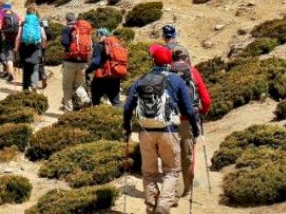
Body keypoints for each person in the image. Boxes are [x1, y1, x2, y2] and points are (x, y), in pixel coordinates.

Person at [123, 45, 200, 214]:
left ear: (153, 61)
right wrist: (195, 128)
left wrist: (127, 127)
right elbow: (188, 109)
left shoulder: (141, 80)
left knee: (149, 172)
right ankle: (164, 205)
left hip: (145, 132)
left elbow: (128, 106)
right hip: (168, 130)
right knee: (171, 171)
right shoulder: (176, 80)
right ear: (170, 62)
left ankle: (151, 204)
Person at [170, 48, 212, 202]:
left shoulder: (167, 73)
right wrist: (202, 110)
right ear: (187, 58)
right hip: (188, 119)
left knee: (172, 154)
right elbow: (206, 100)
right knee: (187, 154)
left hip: (170, 119)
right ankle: (186, 188)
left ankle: (174, 191)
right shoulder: (193, 72)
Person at [86, 28, 128, 107]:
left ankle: (96, 116)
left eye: (98, 35)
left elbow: (96, 62)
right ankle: (124, 117)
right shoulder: (116, 45)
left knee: (95, 99)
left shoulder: (99, 46)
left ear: (99, 35)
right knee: (116, 101)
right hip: (115, 75)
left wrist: (88, 70)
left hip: (102, 77)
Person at [60, 13, 92, 111]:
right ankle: (85, 98)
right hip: (83, 62)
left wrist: (71, 49)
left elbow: (64, 42)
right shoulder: (83, 30)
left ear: (66, 20)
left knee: (67, 86)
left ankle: (68, 110)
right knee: (79, 85)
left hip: (69, 61)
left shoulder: (66, 29)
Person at [14, 4, 47, 92]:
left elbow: (18, 37)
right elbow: (44, 37)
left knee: (26, 68)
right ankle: (34, 84)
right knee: (35, 67)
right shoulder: (39, 23)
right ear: (35, 13)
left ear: (27, 13)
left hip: (24, 47)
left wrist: (16, 49)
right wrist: (43, 46)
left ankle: (25, 89)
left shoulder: (23, 23)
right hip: (36, 47)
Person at [0, 3, 20, 84]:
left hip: (7, 37)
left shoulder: (1, 15)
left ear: (3, 8)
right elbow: (21, 24)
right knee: (15, 55)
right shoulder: (15, 14)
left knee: (8, 57)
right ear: (10, 8)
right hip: (17, 38)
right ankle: (15, 73)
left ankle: (11, 76)